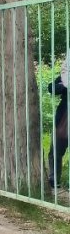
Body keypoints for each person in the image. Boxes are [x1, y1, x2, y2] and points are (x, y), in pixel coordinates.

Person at [48, 58, 69, 188]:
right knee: (56, 150)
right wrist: (64, 85)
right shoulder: (66, 75)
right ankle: (53, 179)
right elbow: (52, 88)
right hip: (64, 118)